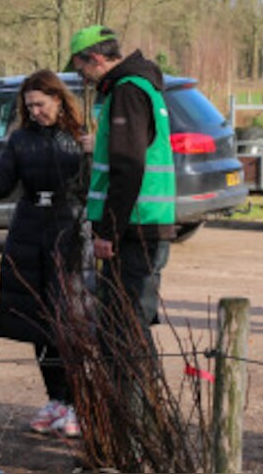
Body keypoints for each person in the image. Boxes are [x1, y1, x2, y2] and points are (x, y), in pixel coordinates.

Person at [0, 70, 89, 438]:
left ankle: (76, 403)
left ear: (58, 99)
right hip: (29, 229)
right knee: (38, 320)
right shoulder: (20, 140)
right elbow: (3, 181)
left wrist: (94, 153)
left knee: (70, 319)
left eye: (40, 103)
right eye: (29, 105)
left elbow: (94, 184)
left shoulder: (81, 137)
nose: (35, 111)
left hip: (69, 228)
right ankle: (55, 398)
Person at [69, 24, 175, 356]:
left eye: (81, 68)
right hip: (142, 224)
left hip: (134, 229)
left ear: (97, 58)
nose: (83, 78)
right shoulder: (139, 87)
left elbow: (128, 167)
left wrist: (108, 233)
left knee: (127, 330)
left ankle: (140, 407)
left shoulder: (127, 92)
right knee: (123, 326)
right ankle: (137, 407)